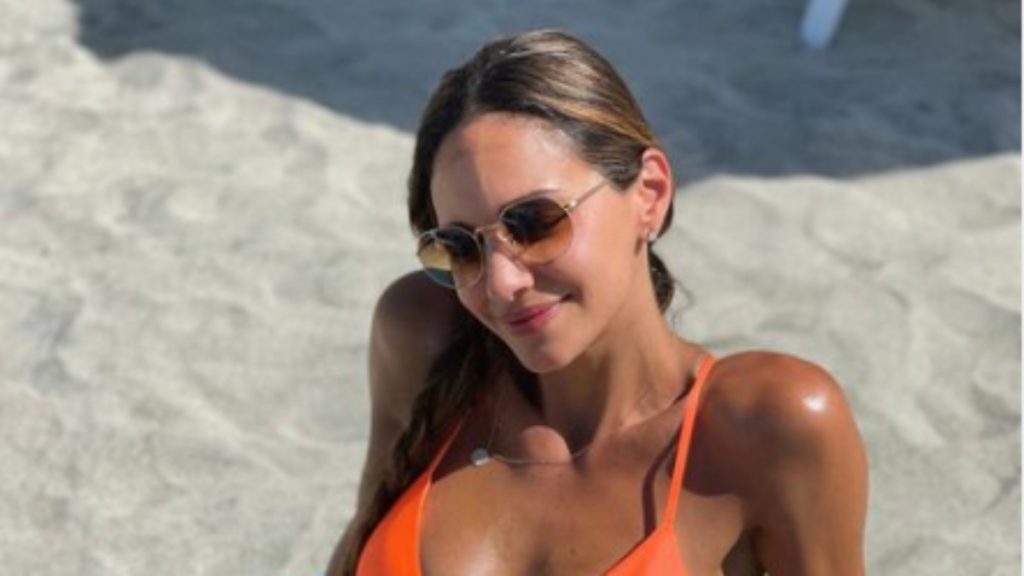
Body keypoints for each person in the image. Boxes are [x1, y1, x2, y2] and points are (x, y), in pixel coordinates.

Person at [327, 29, 868, 575]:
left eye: (535, 223)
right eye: (461, 247)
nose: (502, 282)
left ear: (650, 194)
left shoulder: (767, 427)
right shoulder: (425, 335)